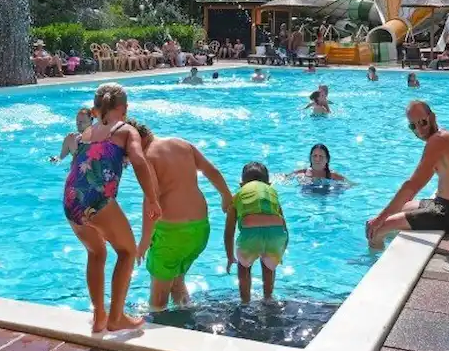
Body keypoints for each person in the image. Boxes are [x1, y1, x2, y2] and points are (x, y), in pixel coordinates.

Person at [64, 83, 161, 331]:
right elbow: (139, 161)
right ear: (124, 108)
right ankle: (116, 318)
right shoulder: (125, 130)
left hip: (71, 198)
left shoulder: (86, 132)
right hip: (97, 200)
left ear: (95, 109)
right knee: (127, 251)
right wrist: (152, 198)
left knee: (96, 253)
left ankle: (99, 317)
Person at [132, 121, 233, 311]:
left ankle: (157, 334)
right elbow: (211, 170)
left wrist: (144, 241)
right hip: (199, 230)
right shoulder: (181, 143)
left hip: (172, 234)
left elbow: (150, 201)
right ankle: (186, 318)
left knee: (159, 297)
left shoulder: (146, 157)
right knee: (177, 281)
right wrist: (226, 196)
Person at [365, 101, 449, 249]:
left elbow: (413, 185)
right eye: (413, 126)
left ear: (432, 118)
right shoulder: (443, 136)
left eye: (422, 122)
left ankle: (372, 260)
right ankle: (394, 245)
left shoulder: (438, 140)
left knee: (379, 228)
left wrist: (380, 218)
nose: (419, 130)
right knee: (403, 207)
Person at [224, 162, 288, 304]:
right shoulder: (272, 194)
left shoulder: (237, 196)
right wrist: (282, 250)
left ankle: (245, 302)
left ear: (242, 184)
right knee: (268, 266)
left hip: (250, 237)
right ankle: (268, 298)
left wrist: (230, 257)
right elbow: (284, 225)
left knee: (244, 267)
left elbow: (229, 231)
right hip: (275, 236)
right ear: (269, 184)